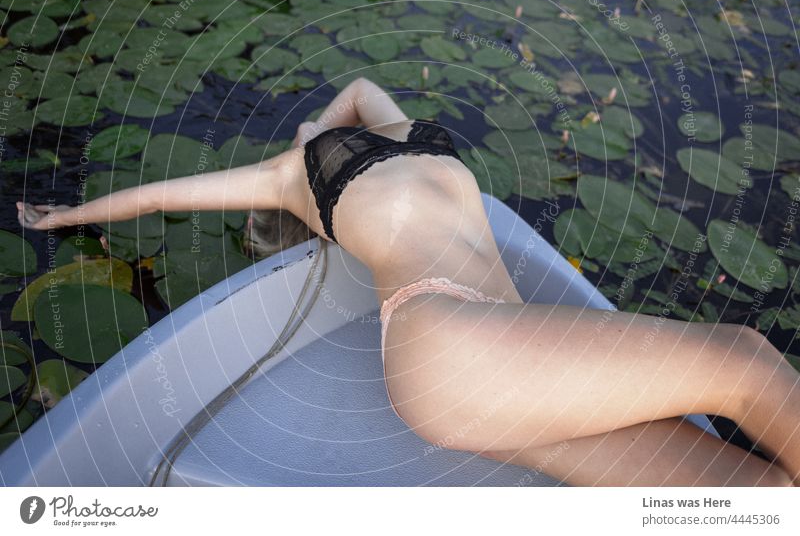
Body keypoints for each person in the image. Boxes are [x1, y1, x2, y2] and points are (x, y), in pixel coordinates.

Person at [17, 77, 800, 487]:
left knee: (749, 497)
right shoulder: (294, 177)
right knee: (746, 359)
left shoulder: (395, 133)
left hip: (498, 363)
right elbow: (160, 194)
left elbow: (357, 85)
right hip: (451, 338)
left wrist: (327, 125)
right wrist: (66, 214)